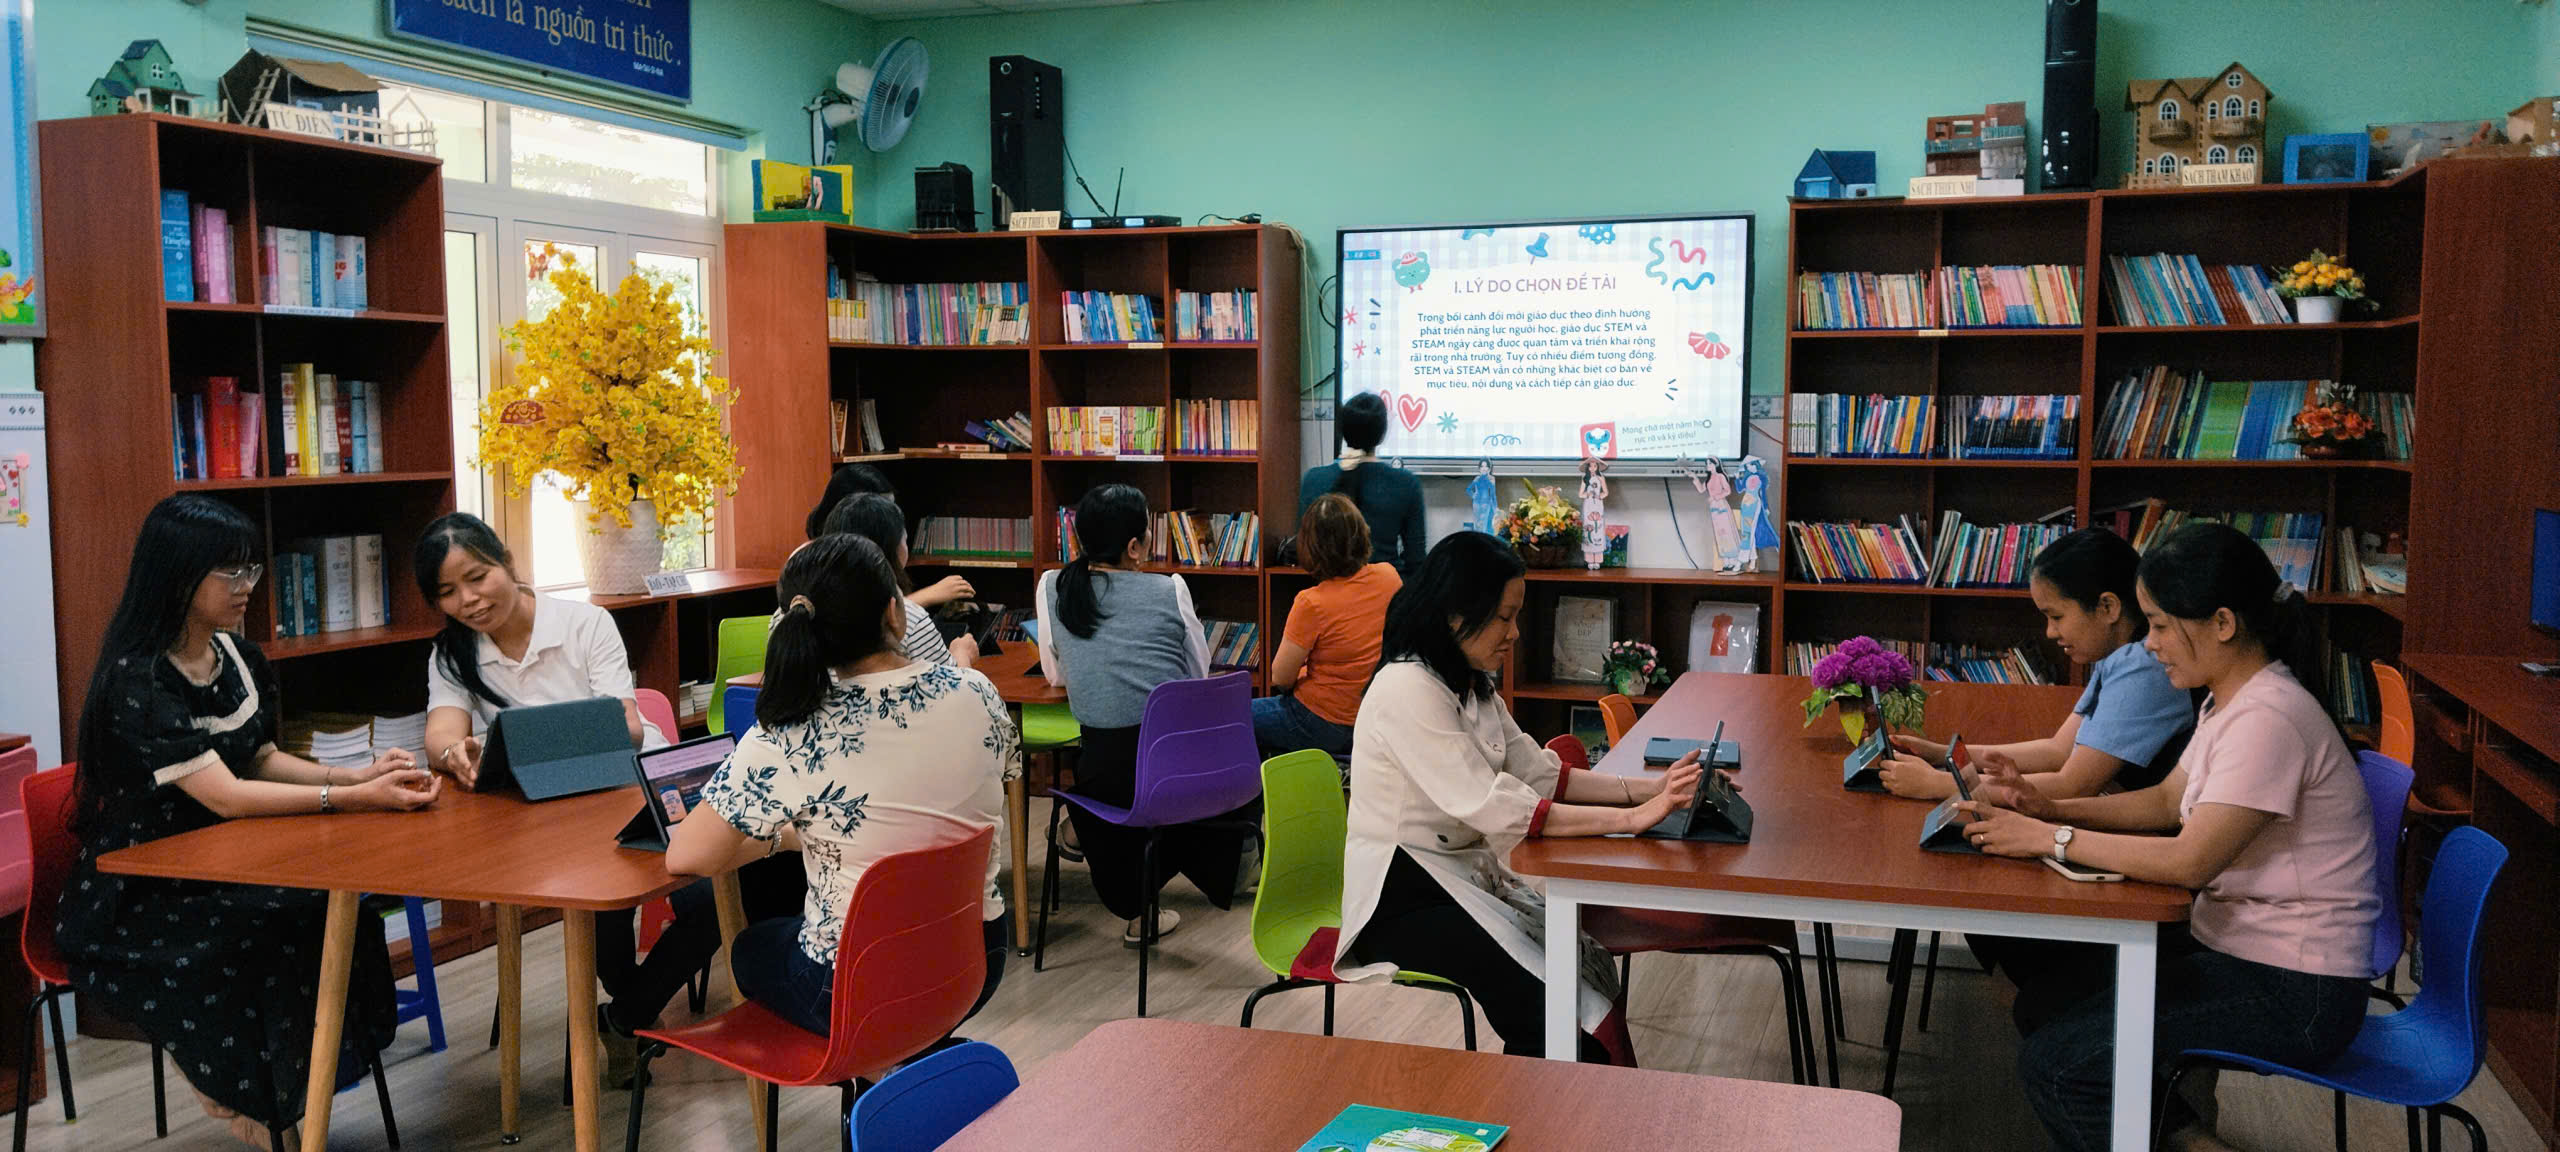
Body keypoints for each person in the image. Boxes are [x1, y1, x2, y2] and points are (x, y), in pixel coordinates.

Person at [1954, 522, 2378, 1152]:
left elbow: (2188, 862)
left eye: (2158, 625)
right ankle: (2187, 1137)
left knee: (2060, 1067)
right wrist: (2049, 807)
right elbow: (2163, 801)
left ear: (2223, 623)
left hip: (2299, 986)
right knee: (2045, 1002)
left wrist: (2050, 837)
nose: (2148, 644)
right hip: (2240, 946)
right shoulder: (2229, 700)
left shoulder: (2269, 718)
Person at [61, 495, 440, 1148]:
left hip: (226, 857)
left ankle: (292, 1095)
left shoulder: (235, 656)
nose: (247, 586)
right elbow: (228, 796)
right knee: (267, 929)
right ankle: (253, 1104)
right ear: (178, 577)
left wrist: (357, 776)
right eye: (230, 573)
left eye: (251, 571)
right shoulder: (137, 682)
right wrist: (350, 799)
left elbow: (260, 757)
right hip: (142, 886)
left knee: (334, 909)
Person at [411, 513, 800, 1081]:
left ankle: (624, 1017)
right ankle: (630, 1020)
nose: (468, 600)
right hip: (547, 818)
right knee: (600, 906)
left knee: (715, 895)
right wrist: (455, 753)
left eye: (477, 577)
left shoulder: (584, 623)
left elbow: (628, 728)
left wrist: (518, 742)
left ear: (507, 563)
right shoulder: (453, 654)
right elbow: (440, 735)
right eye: (447, 592)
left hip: (637, 788)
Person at [1333, 531, 1705, 1062]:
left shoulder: (1468, 681)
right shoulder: (1406, 688)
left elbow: (1542, 775)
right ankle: (1548, 1103)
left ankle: (1568, 1097)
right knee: (1552, 1011)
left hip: (1455, 878)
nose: (1514, 633)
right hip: (1401, 899)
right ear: (1455, 615)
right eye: (1504, 617)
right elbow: (1494, 804)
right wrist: (1632, 819)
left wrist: (1654, 790)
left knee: (1580, 977)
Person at [670, 533, 1018, 1033]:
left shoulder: (790, 730)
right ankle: (898, 1059)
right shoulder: (978, 692)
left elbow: (687, 857)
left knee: (749, 948)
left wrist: (782, 841)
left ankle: (866, 1059)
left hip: (852, 991)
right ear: (894, 613)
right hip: (976, 961)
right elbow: (996, 768)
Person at [1037, 483, 1247, 944]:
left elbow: (1056, 675)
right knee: (1203, 782)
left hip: (1101, 775)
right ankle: (1098, 846)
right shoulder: (1170, 589)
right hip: (1175, 773)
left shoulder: (1053, 586)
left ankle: (1094, 845)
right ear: (1134, 547)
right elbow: (1196, 676)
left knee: (1120, 784)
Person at [1879, 527, 2195, 802]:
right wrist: (1941, 753)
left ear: (2107, 607)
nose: (2050, 632)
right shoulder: (2118, 655)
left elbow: (2073, 785)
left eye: (2056, 616)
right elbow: (2058, 750)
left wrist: (1941, 784)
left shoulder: (2143, 666)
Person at [1256, 493, 1398, 762]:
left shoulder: (1311, 602)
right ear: (1361, 534)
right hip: (1372, 719)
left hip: (1322, 721)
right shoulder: (1389, 577)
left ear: (1310, 546)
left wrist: (1303, 673)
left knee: (1234, 719)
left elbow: (1280, 677)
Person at [824, 493, 977, 668]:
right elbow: (951, 683)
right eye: (904, 537)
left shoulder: (816, 606)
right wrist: (962, 654)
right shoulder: (911, 619)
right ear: (894, 548)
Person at [804, 464, 971, 608]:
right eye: (882, 510)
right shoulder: (813, 561)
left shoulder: (869, 556)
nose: (892, 520)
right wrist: (925, 597)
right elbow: (860, 620)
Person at [1300, 391, 1427, 573]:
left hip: (1329, 588)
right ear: (1381, 434)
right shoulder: (1406, 483)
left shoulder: (1313, 479)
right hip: (1387, 589)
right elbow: (1416, 561)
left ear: (1343, 431)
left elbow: (1305, 553)